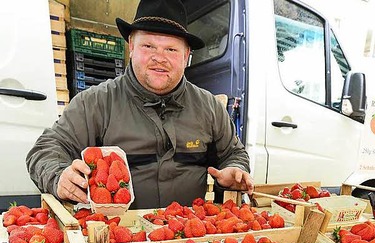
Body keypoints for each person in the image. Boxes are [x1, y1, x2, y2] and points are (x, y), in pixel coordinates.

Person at [26, 0, 254, 209]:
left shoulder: (209, 107)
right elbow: (46, 150)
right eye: (148, 46)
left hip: (188, 241)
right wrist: (58, 176)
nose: (159, 57)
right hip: (116, 239)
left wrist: (236, 170)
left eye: (171, 50)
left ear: (186, 56)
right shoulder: (96, 102)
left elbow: (234, 153)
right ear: (131, 48)